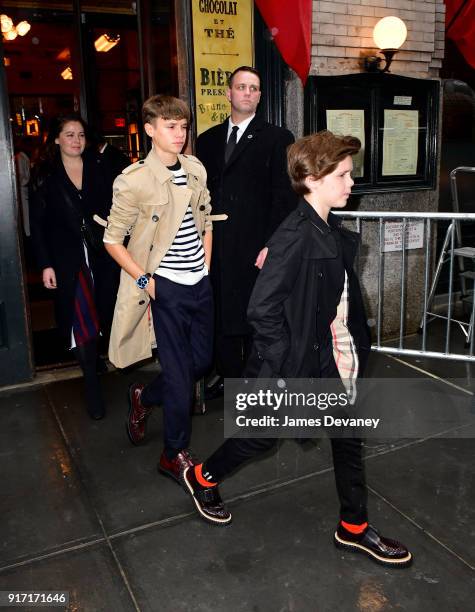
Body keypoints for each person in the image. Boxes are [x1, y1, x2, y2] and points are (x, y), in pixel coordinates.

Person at [183, 131, 412, 567]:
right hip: (295, 365)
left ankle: (354, 528)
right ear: (311, 177)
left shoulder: (323, 225)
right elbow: (261, 309)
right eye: (343, 175)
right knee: (260, 438)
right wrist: (289, 362)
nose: (351, 184)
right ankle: (201, 476)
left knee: (347, 437)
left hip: (328, 359)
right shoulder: (295, 236)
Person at [104, 95, 213, 483]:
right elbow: (112, 240)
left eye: (183, 126)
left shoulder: (196, 168)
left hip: (199, 282)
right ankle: (174, 454)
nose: (179, 133)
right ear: (149, 130)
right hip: (165, 288)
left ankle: (143, 397)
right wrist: (146, 281)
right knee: (181, 378)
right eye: (170, 126)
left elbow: (207, 221)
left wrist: (206, 266)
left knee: (201, 362)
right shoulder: (133, 181)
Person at [196, 66, 297, 393]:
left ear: (259, 96)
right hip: (216, 244)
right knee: (222, 312)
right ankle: (229, 376)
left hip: (256, 244)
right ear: (228, 93)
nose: (248, 93)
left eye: (254, 88)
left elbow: (284, 198)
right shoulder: (206, 140)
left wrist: (273, 244)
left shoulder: (278, 138)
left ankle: (257, 380)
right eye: (241, 87)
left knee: (256, 312)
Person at [30, 114, 120, 419]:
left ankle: (96, 359)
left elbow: (118, 204)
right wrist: (44, 265)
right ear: (56, 139)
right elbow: (38, 226)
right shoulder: (44, 174)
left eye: (80, 134)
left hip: (102, 256)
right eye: (69, 135)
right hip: (67, 260)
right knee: (81, 320)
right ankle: (91, 385)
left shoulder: (100, 166)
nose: (76, 140)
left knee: (103, 312)